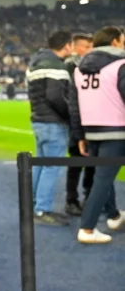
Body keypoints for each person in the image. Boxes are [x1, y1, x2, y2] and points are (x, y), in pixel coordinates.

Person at [68, 26, 125, 244]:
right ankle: (88, 228)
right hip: (117, 130)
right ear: (115, 42)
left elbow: (74, 106)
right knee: (103, 179)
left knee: (103, 176)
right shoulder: (120, 65)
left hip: (92, 131)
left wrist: (79, 135)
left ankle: (114, 216)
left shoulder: (79, 69)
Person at [27, 30, 74, 226]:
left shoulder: (36, 62)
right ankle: (42, 209)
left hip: (38, 119)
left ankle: (34, 205)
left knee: (41, 164)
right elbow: (55, 97)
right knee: (51, 167)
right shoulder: (56, 65)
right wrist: (69, 115)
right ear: (67, 46)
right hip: (53, 122)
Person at [65, 32, 95, 216]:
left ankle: (88, 197)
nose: (90, 50)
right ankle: (71, 200)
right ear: (76, 47)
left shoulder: (90, 66)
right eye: (87, 47)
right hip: (77, 121)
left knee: (91, 162)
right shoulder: (70, 67)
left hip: (90, 120)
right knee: (76, 163)